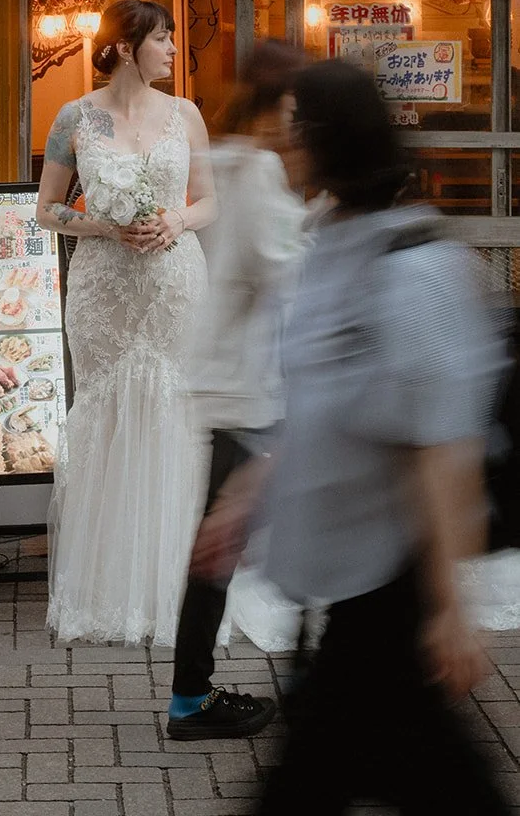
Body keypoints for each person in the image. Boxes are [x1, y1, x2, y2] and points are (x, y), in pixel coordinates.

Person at [194, 60, 510, 816]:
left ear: (333, 139)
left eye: (294, 129)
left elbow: (441, 447)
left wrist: (447, 606)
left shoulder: (413, 268)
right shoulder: (329, 242)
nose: (279, 144)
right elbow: (317, 404)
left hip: (389, 594)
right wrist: (250, 495)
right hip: (351, 595)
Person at [37, 0, 216, 646]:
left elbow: (207, 201)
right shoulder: (73, 118)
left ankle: (171, 585)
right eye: (161, 39)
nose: (171, 50)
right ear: (121, 47)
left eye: (170, 39)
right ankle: (104, 587)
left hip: (172, 283)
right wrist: (106, 226)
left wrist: (175, 219)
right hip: (102, 289)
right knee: (105, 415)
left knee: (172, 413)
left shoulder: (186, 114)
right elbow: (47, 210)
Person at [167, 41, 308, 740]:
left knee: (220, 542)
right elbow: (286, 272)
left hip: (222, 377)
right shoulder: (254, 171)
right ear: (280, 103)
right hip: (254, 385)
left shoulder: (217, 157)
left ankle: (191, 694)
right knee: (227, 544)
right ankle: (190, 699)